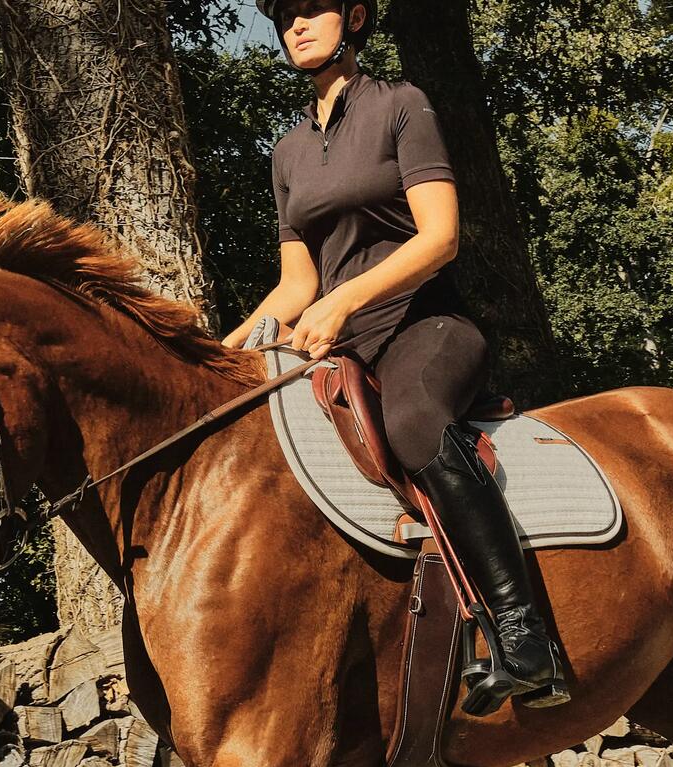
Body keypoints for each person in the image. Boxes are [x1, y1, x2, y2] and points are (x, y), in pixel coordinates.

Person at [220, 0, 563, 712]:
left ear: (355, 16)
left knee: (411, 421)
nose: (296, 25)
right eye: (285, 17)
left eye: (312, 8)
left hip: (426, 326)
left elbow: (441, 237)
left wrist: (344, 304)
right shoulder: (286, 153)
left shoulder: (403, 106)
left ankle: (527, 638)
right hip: (336, 345)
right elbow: (297, 285)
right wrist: (213, 358)